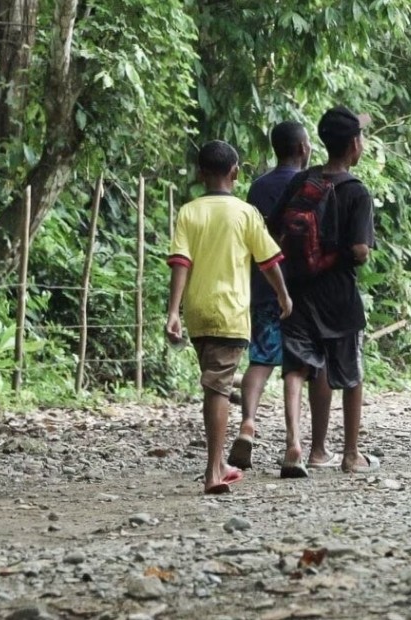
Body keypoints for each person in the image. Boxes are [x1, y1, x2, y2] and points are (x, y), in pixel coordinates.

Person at [166, 140, 293, 495]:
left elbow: (181, 262)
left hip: (198, 312)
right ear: (235, 172)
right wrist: (283, 295)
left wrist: (174, 311)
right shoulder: (246, 213)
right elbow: (268, 261)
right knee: (218, 389)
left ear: (200, 173)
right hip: (231, 312)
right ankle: (213, 471)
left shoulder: (189, 212)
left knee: (214, 385)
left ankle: (219, 464)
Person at [269, 106, 379, 476]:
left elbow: (274, 230)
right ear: (354, 145)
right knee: (349, 372)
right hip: (339, 296)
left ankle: (300, 446)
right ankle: (350, 454)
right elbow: (360, 250)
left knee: (300, 367)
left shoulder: (303, 181)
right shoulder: (356, 191)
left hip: (298, 290)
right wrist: (344, 254)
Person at [228, 121, 338, 472]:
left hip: (264, 287)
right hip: (303, 291)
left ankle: (248, 424)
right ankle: (295, 444)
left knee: (260, 360)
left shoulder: (258, 187)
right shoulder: (313, 184)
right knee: (299, 367)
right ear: (304, 147)